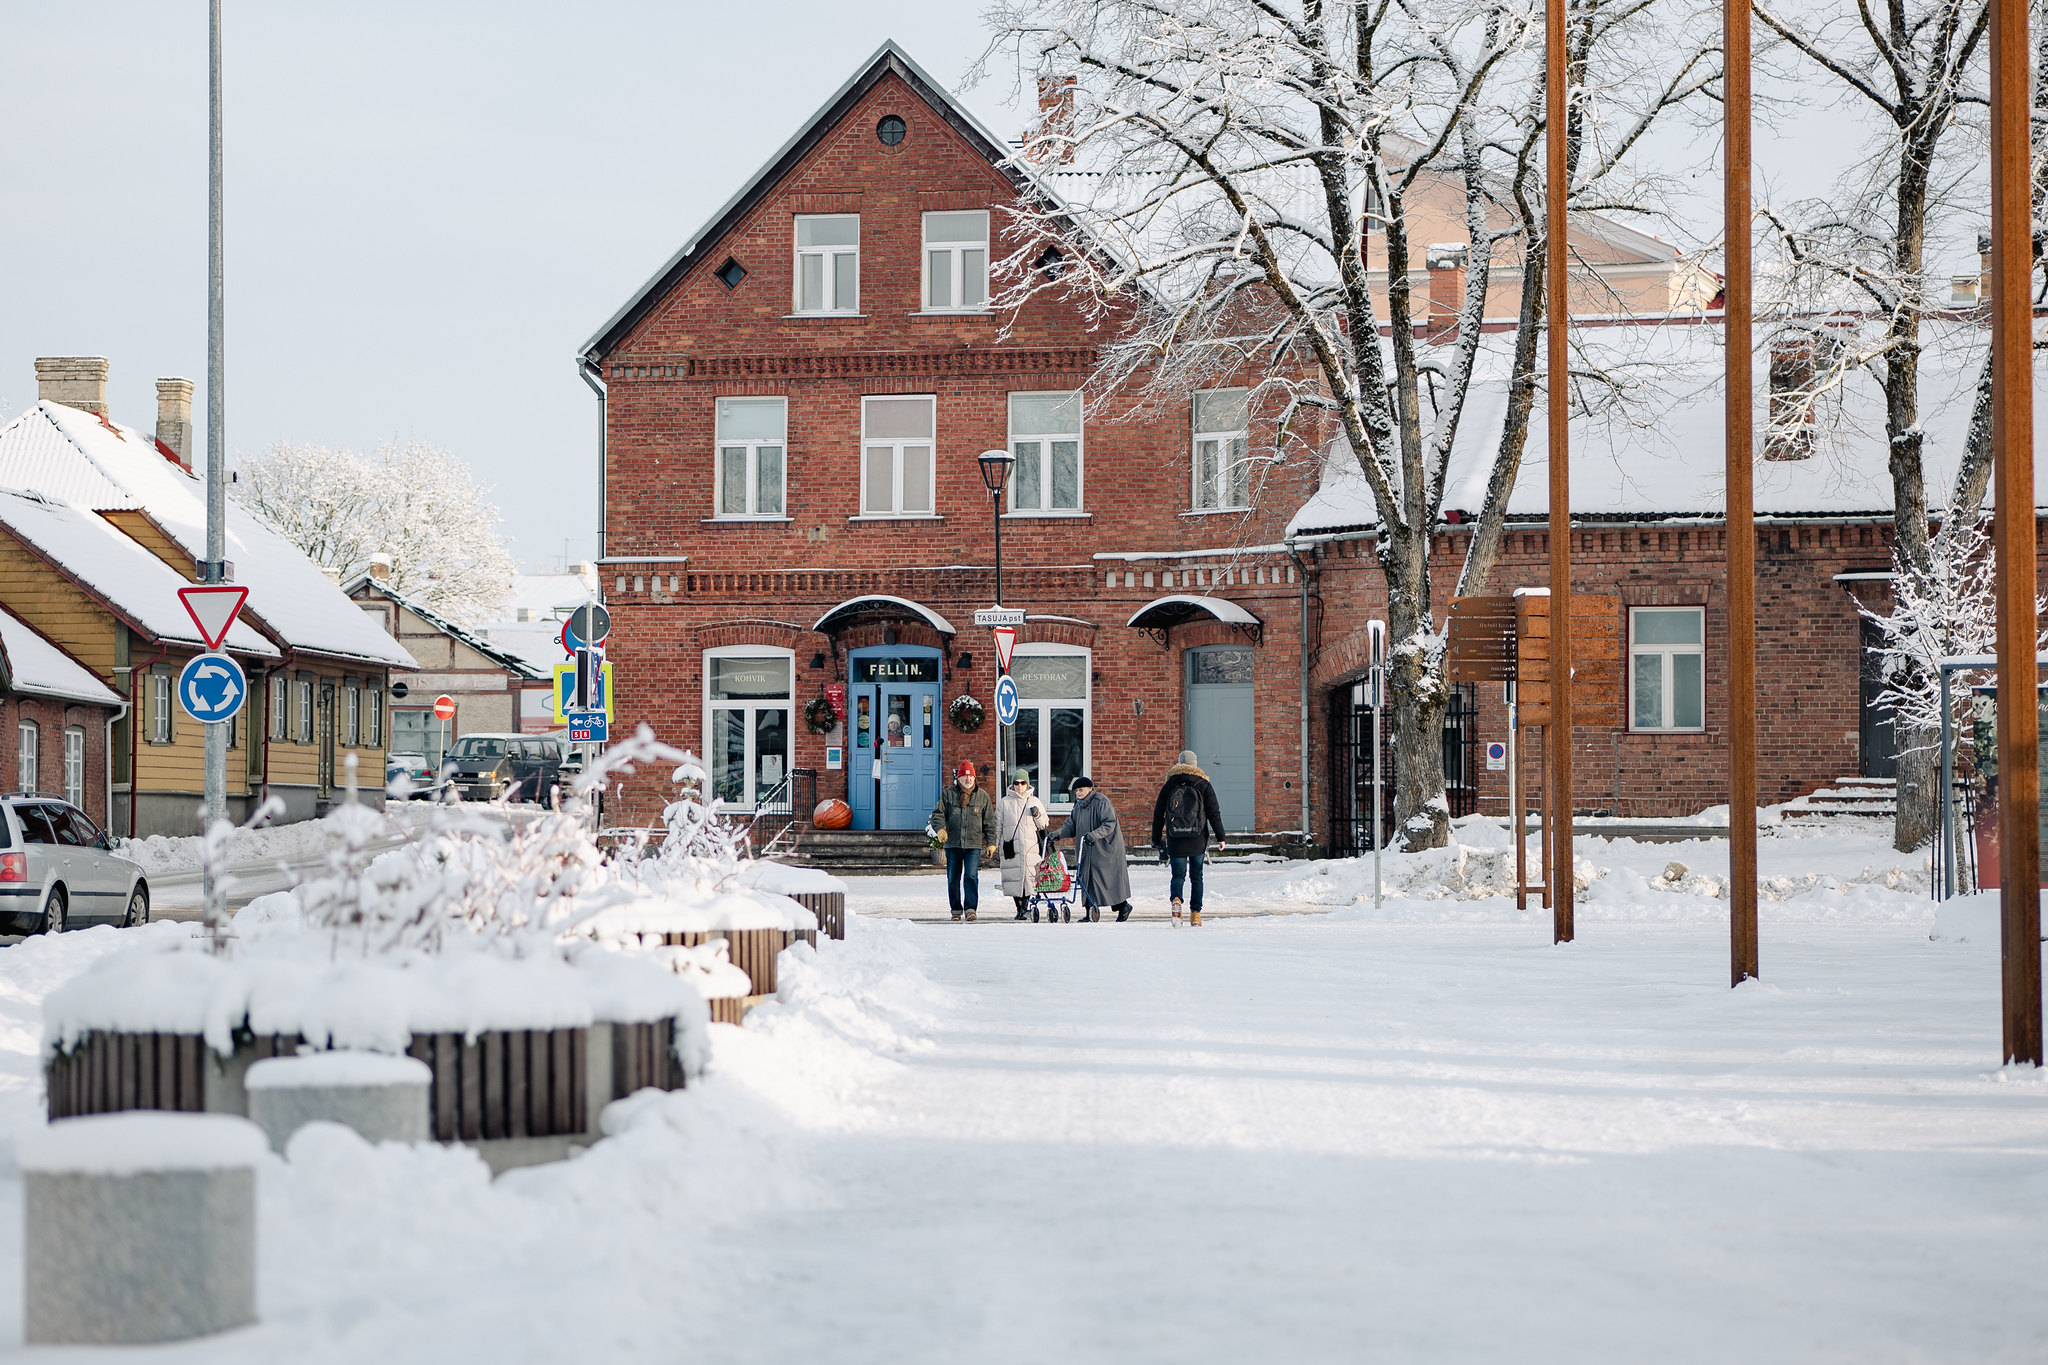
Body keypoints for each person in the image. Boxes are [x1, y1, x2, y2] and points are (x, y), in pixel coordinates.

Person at [1151, 749, 1227, 926]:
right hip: (1197, 837)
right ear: (1195, 764)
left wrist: (1156, 838)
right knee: (1196, 875)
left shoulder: (1170, 784)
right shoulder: (1203, 784)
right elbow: (1214, 813)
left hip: (1175, 837)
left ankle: (1176, 900)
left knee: (1177, 875)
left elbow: (1158, 813)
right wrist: (1221, 837)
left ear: (1178, 763)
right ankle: (1195, 913)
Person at [1053, 776, 1134, 922]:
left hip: (1104, 848)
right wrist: (1057, 834)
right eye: (1076, 790)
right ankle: (1090, 911)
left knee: (1106, 881)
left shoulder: (1101, 802)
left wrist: (1094, 835)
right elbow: (1070, 825)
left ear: (1090, 789)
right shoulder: (1078, 806)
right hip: (1086, 849)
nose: (1078, 793)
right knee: (1086, 880)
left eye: (1081, 789)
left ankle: (1123, 907)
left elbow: (1109, 823)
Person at [931, 761, 995, 921]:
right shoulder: (948, 795)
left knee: (971, 876)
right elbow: (937, 814)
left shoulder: (982, 797)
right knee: (953, 877)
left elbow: (989, 822)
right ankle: (956, 910)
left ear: (974, 777)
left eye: (970, 775)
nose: (968, 778)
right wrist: (940, 829)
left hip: (973, 844)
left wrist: (991, 842)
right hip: (953, 843)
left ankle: (971, 909)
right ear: (959, 778)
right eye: (964, 775)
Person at [996, 769, 1049, 920]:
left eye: (1022, 783)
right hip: (1010, 847)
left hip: (1029, 847)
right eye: (1016, 783)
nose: (1019, 786)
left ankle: (1025, 907)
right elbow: (997, 825)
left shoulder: (1034, 801)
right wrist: (995, 844)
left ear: (1027, 784)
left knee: (1029, 878)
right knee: (1013, 878)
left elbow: (1043, 824)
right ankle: (1019, 908)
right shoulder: (1004, 803)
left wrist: (1037, 814)